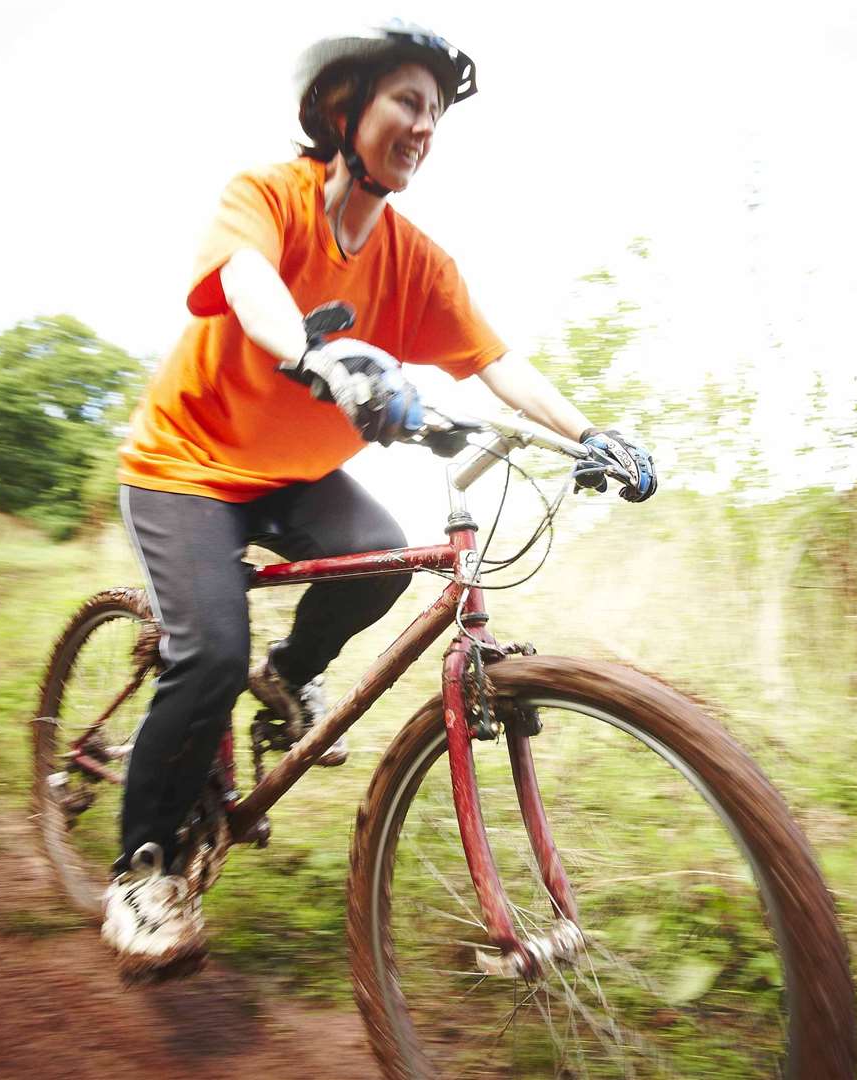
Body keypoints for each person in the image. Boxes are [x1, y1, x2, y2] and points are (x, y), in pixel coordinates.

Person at [102, 20, 658, 977]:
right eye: (408, 101)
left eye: (436, 114)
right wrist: (316, 353)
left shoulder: (416, 261)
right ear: (340, 108)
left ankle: (287, 674)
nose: (425, 126)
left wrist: (587, 432)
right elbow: (248, 283)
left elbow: (497, 362)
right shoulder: (267, 197)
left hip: (295, 473)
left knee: (386, 562)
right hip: (186, 465)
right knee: (208, 653)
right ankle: (142, 871)